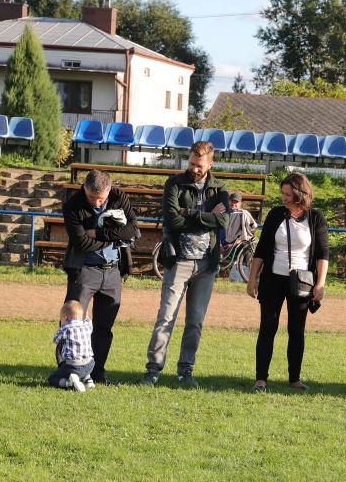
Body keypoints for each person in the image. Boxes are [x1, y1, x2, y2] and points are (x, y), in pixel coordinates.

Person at [141, 141, 229, 388]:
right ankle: (153, 369)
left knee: (195, 321)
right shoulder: (174, 183)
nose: (195, 169)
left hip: (206, 265)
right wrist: (207, 216)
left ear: (210, 164)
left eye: (200, 165)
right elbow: (173, 220)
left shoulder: (219, 188)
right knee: (166, 317)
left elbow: (223, 220)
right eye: (191, 163)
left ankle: (185, 370)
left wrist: (189, 213)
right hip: (178, 261)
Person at [247, 173, 329, 392]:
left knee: (296, 331)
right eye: (282, 193)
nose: (283, 197)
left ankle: (294, 379)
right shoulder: (276, 214)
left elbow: (323, 254)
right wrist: (252, 279)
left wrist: (320, 284)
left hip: (301, 282)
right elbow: (261, 249)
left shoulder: (316, 217)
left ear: (300, 193)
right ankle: (260, 379)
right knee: (267, 328)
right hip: (272, 279)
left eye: (288, 194)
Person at [62, 169, 139, 384]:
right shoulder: (72, 205)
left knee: (104, 329)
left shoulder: (118, 196)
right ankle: (68, 372)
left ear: (109, 190)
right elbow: (81, 243)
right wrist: (116, 236)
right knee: (72, 325)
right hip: (84, 271)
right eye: (92, 197)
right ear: (84, 188)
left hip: (113, 272)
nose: (97, 202)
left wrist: (98, 233)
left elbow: (133, 229)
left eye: (101, 198)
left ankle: (97, 373)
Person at [48, 300, 95, 392]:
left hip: (73, 367)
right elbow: (88, 319)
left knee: (53, 378)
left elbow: (56, 339)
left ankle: (69, 383)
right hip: (90, 364)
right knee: (84, 357)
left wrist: (62, 326)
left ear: (65, 317)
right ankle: (88, 381)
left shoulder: (66, 328)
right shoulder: (87, 326)